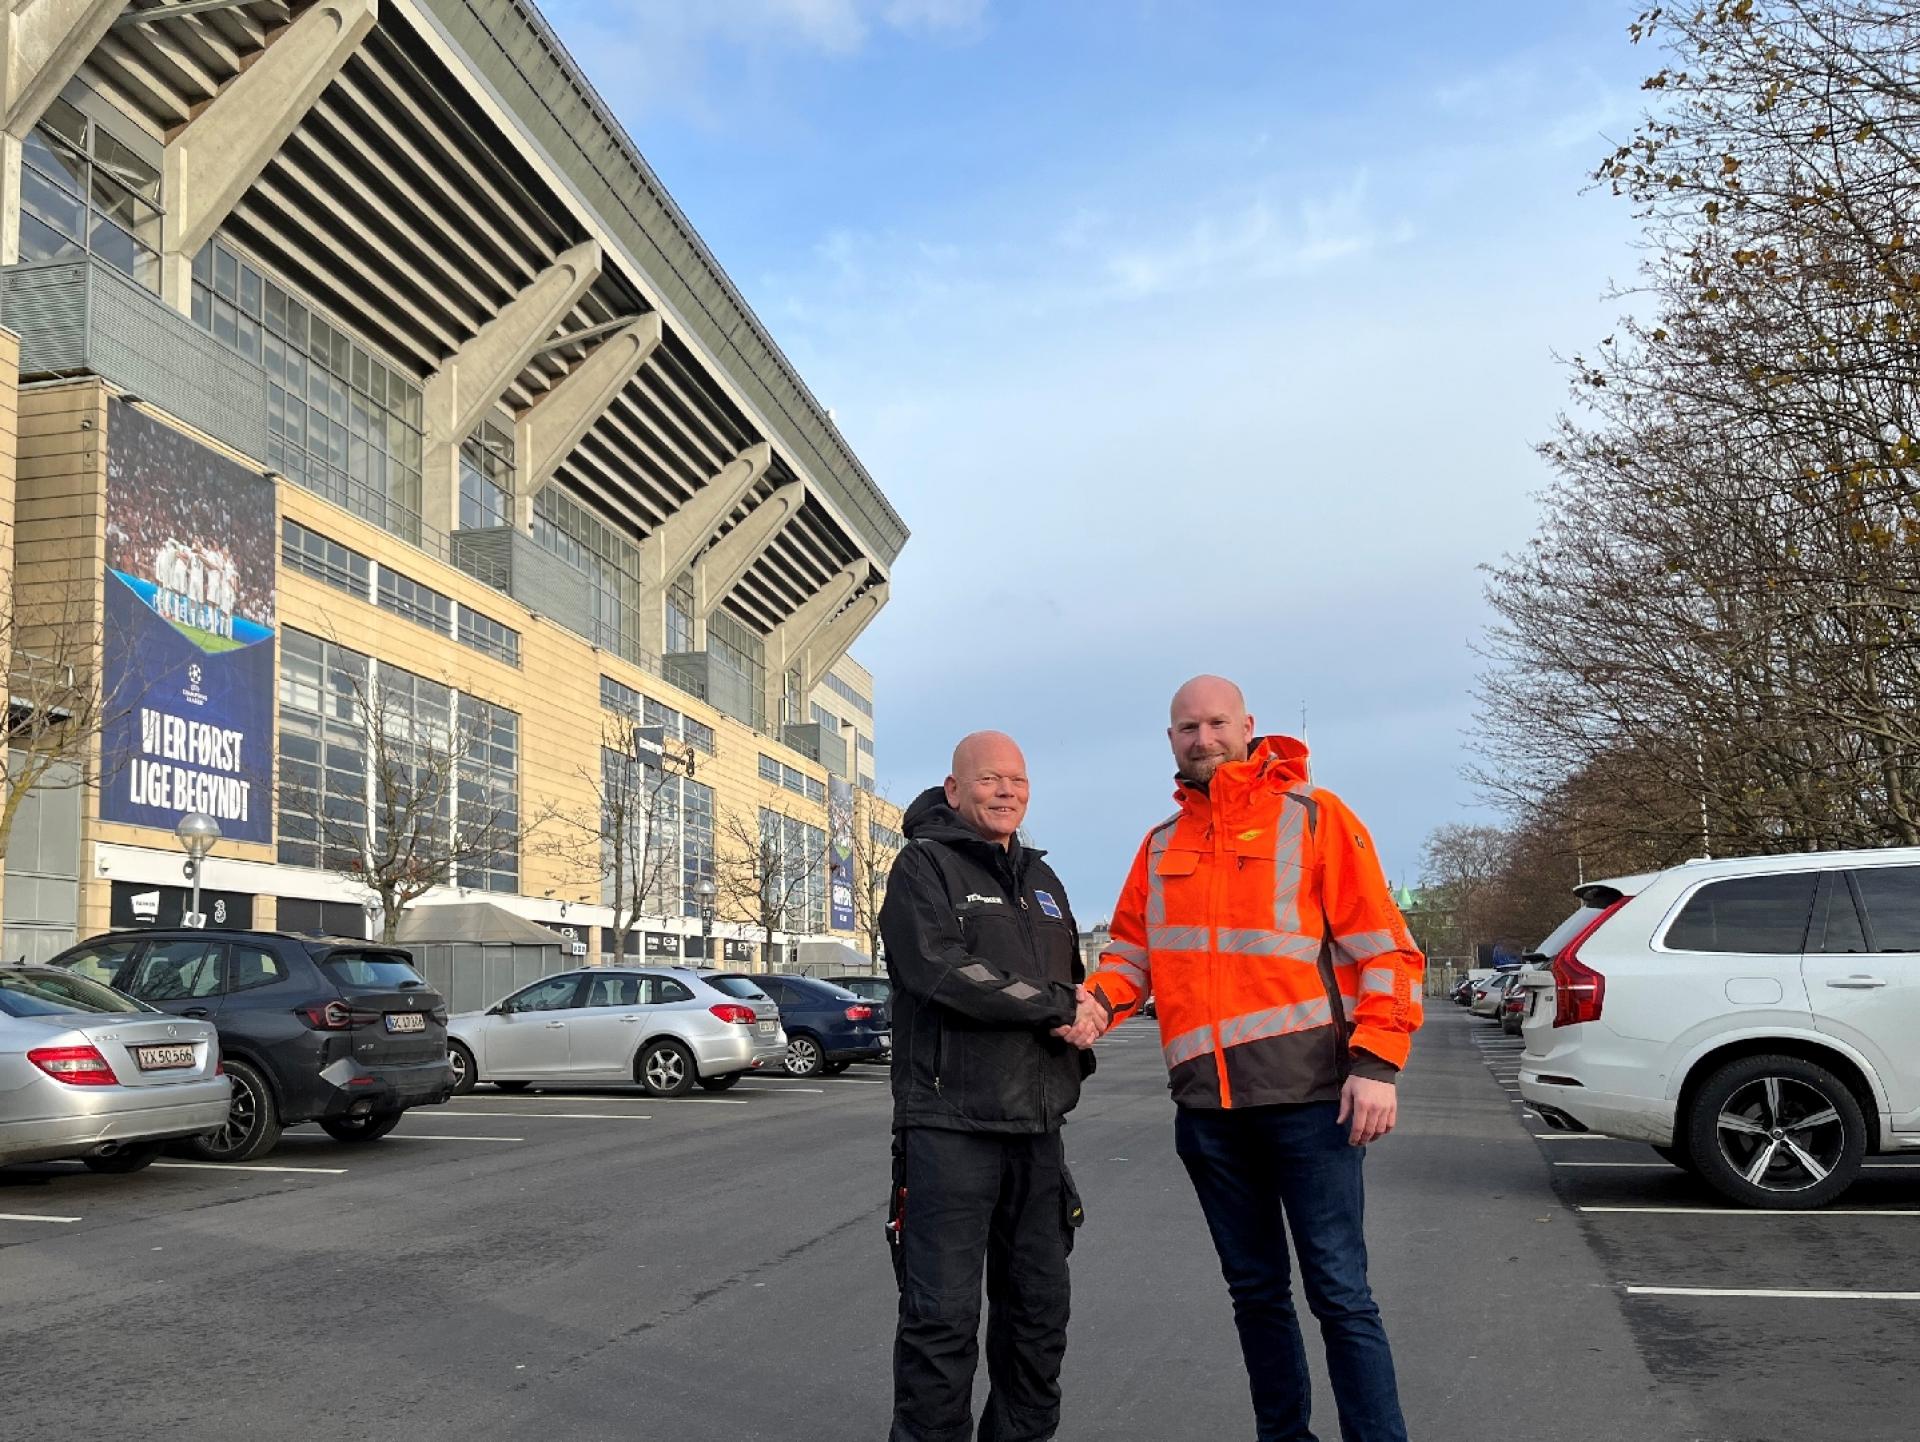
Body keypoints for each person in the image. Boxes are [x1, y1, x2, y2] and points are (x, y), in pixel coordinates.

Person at [1074, 676, 1425, 1442]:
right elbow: (1131, 952)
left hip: (1311, 1103)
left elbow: (1386, 952)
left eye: (1215, 723)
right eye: (1186, 728)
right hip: (1208, 1115)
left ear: (1248, 726)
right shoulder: (1161, 844)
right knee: (1256, 1295)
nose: (1202, 739)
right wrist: (1098, 1003)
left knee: (1340, 1294)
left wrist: (1377, 1065)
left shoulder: (1315, 818)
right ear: (1170, 739)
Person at [881, 730, 1105, 1442]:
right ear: (954, 790)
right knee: (940, 1323)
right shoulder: (923, 867)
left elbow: (1065, 983)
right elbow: (941, 971)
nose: (1006, 791)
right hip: (950, 1129)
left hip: (1038, 1134)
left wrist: (1085, 1016)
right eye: (988, 780)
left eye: (1017, 780)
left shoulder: (1043, 881)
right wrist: (1055, 1007)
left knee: (1038, 1320)